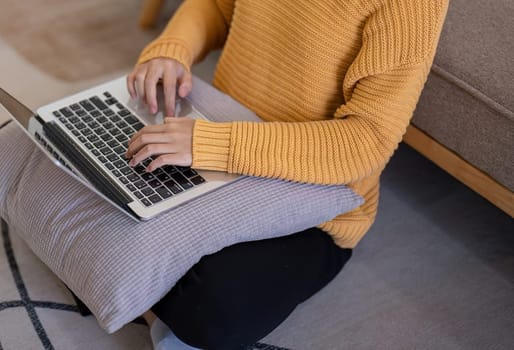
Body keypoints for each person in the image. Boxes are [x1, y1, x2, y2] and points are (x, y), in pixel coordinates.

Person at [124, 0, 448, 348]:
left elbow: (367, 142)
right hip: (217, 156)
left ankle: (138, 295)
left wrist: (213, 143)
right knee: (92, 178)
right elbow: (218, 7)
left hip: (313, 202)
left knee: (215, 306)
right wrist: (173, 50)